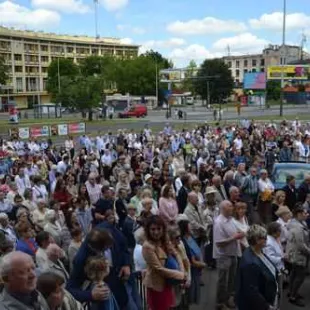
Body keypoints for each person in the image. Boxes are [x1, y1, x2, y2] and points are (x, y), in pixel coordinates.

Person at [142, 215, 185, 310]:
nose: (156, 232)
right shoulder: (147, 246)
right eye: (153, 229)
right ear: (148, 230)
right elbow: (158, 269)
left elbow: (177, 254)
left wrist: (182, 271)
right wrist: (180, 275)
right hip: (156, 286)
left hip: (167, 283)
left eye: (158, 228)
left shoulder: (164, 240)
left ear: (163, 229)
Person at [236, 225, 279, 310]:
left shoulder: (258, 251)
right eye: (264, 237)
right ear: (257, 240)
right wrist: (267, 306)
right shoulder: (250, 263)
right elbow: (252, 291)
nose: (267, 239)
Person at [213, 200, 243, 310]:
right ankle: (220, 303)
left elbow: (237, 231)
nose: (232, 208)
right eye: (230, 206)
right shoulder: (219, 222)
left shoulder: (231, 219)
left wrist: (241, 233)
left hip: (233, 253)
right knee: (222, 282)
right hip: (224, 255)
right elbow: (219, 243)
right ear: (223, 208)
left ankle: (227, 300)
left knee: (231, 280)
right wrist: (234, 237)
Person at [286, 205, 310, 307]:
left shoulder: (300, 223)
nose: (307, 214)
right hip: (298, 255)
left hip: (295, 253)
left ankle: (291, 291)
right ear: (299, 214)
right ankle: (293, 297)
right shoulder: (297, 227)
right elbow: (301, 245)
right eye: (305, 213)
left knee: (294, 274)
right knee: (300, 276)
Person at [178, 218, 204, 305]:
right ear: (185, 229)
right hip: (191, 269)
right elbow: (190, 259)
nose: (192, 227)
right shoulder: (184, 242)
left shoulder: (191, 237)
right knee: (189, 294)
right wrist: (203, 264)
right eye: (190, 226)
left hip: (196, 269)